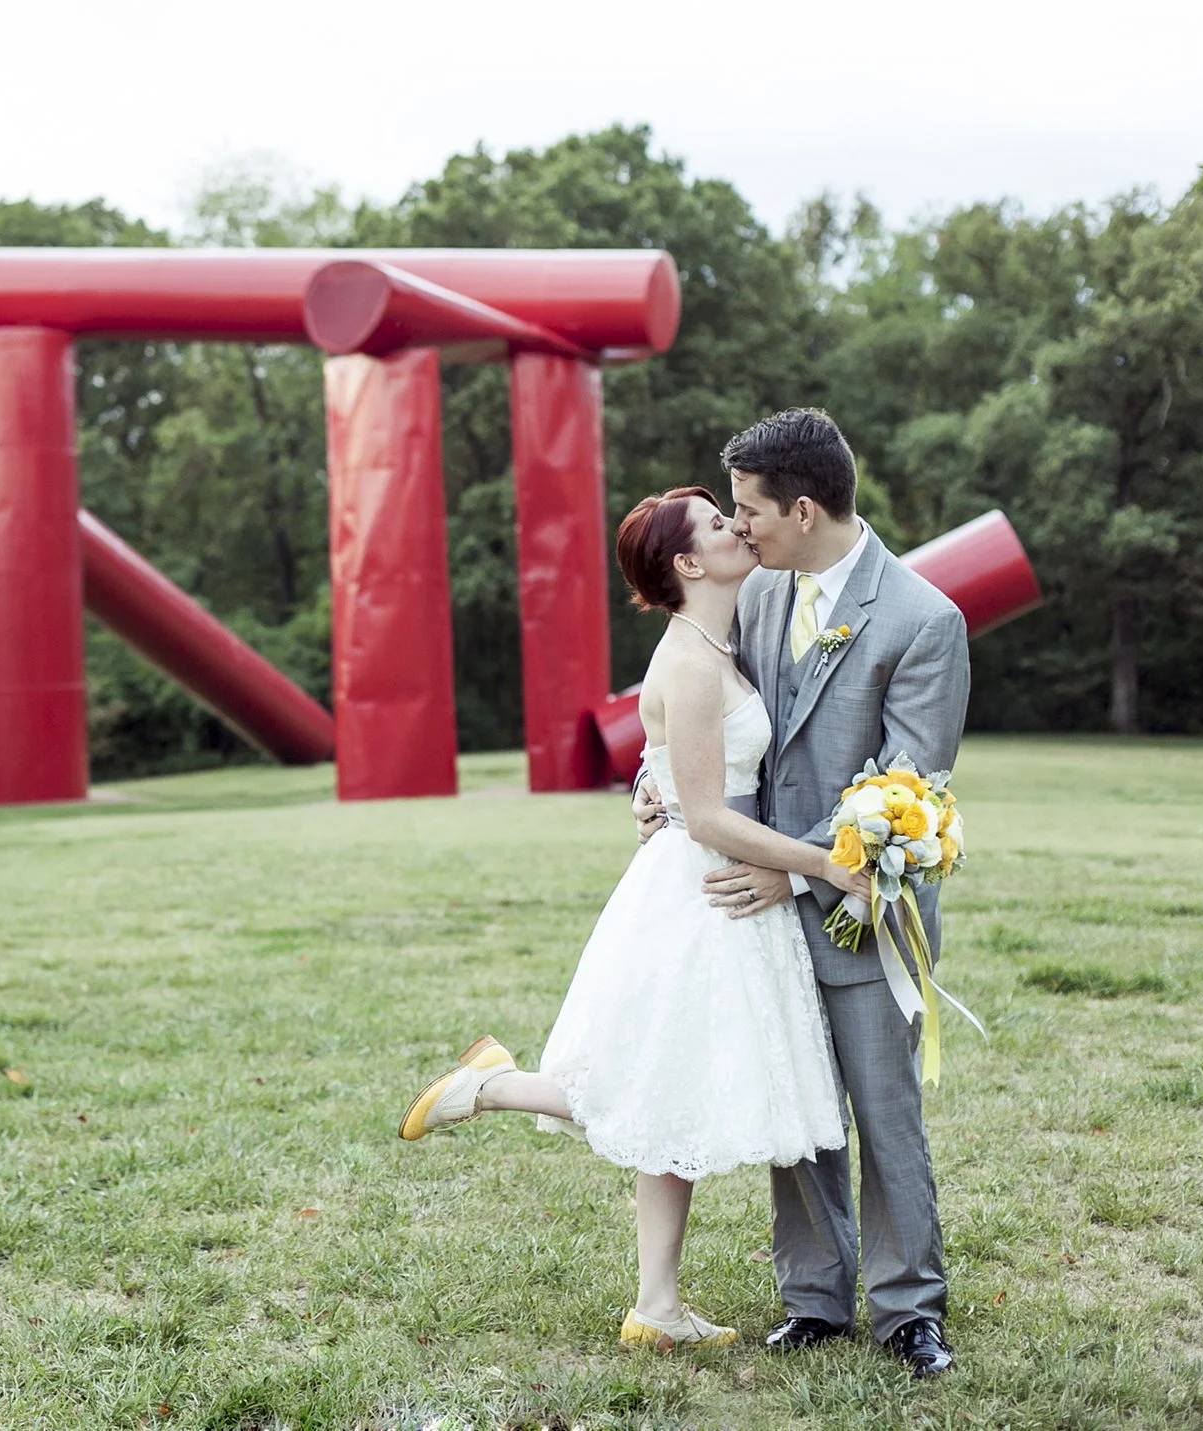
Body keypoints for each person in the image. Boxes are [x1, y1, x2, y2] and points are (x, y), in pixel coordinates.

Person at [397, 482, 867, 1352]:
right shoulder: (688, 662)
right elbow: (711, 812)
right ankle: (489, 1087)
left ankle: (655, 1303)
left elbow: (682, 782)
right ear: (689, 562)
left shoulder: (715, 640)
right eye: (722, 525)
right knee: (656, 1087)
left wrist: (653, 793)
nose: (739, 528)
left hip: (706, 878)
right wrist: (821, 861)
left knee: (670, 1093)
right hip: (701, 891)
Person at [633, 409, 968, 1379]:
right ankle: (814, 1298)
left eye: (747, 510)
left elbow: (907, 787)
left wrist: (796, 866)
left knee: (881, 1115)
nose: (737, 529)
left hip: (856, 908)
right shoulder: (760, 594)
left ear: (804, 508)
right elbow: (700, 707)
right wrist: (653, 784)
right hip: (759, 908)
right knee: (799, 1115)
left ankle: (909, 1311)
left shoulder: (921, 620)